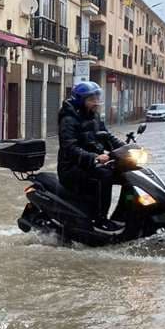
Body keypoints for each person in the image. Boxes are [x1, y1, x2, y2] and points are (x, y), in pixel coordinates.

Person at [57, 81, 125, 232]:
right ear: (81, 101)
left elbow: (106, 136)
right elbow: (70, 148)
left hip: (89, 164)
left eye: (97, 98)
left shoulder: (94, 116)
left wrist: (125, 148)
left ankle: (125, 215)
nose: (96, 102)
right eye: (91, 99)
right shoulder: (68, 120)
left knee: (123, 172)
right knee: (105, 175)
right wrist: (95, 157)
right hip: (71, 168)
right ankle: (100, 220)